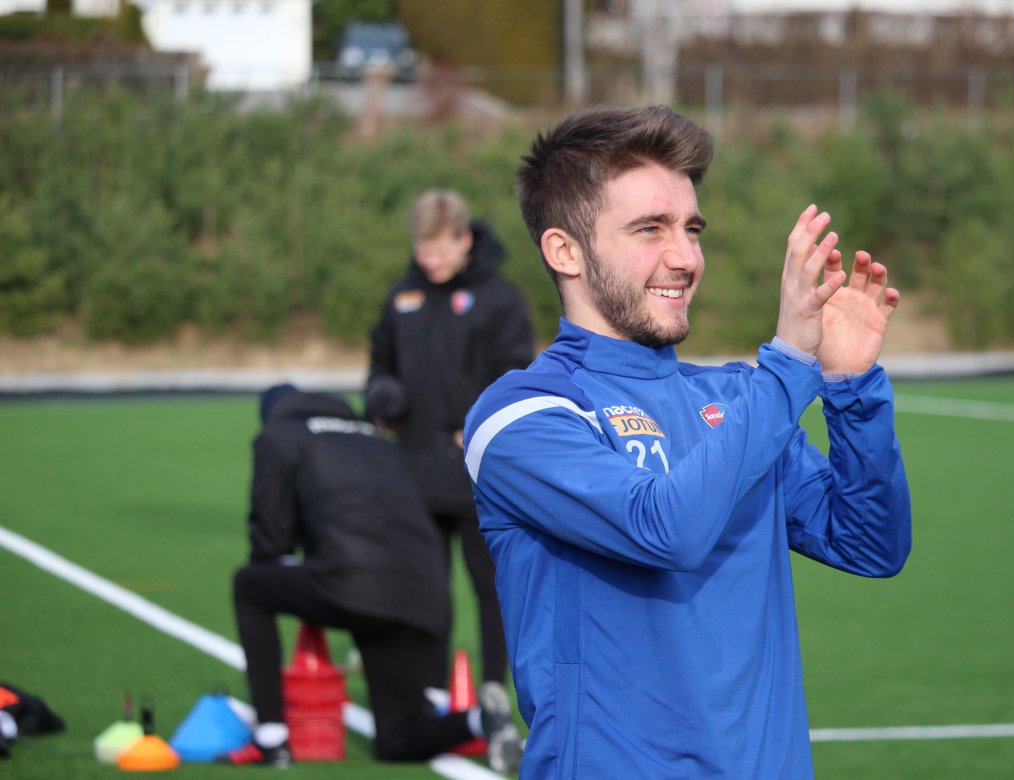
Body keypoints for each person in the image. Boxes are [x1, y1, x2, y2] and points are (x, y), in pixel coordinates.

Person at [462, 105, 913, 778]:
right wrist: (790, 361)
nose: (685, 258)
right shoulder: (521, 416)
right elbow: (666, 530)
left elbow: (869, 544)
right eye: (650, 229)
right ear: (565, 251)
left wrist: (851, 389)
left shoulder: (736, 398)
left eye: (691, 229)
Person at [219, 384, 521, 772]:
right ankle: (480, 720)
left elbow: (270, 542)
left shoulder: (279, 436)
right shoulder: (377, 440)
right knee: (398, 740)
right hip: (423, 593)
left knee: (249, 585)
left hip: (352, 583)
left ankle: (271, 738)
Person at [366, 189, 534, 693]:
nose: (430, 260)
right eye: (423, 249)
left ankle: (494, 691)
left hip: (480, 474)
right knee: (424, 589)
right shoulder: (401, 297)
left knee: (492, 587)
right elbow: (379, 364)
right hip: (414, 471)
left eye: (440, 249)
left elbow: (517, 375)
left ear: (465, 240)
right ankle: (431, 693)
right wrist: (382, 398)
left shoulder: (500, 299)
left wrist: (481, 423)